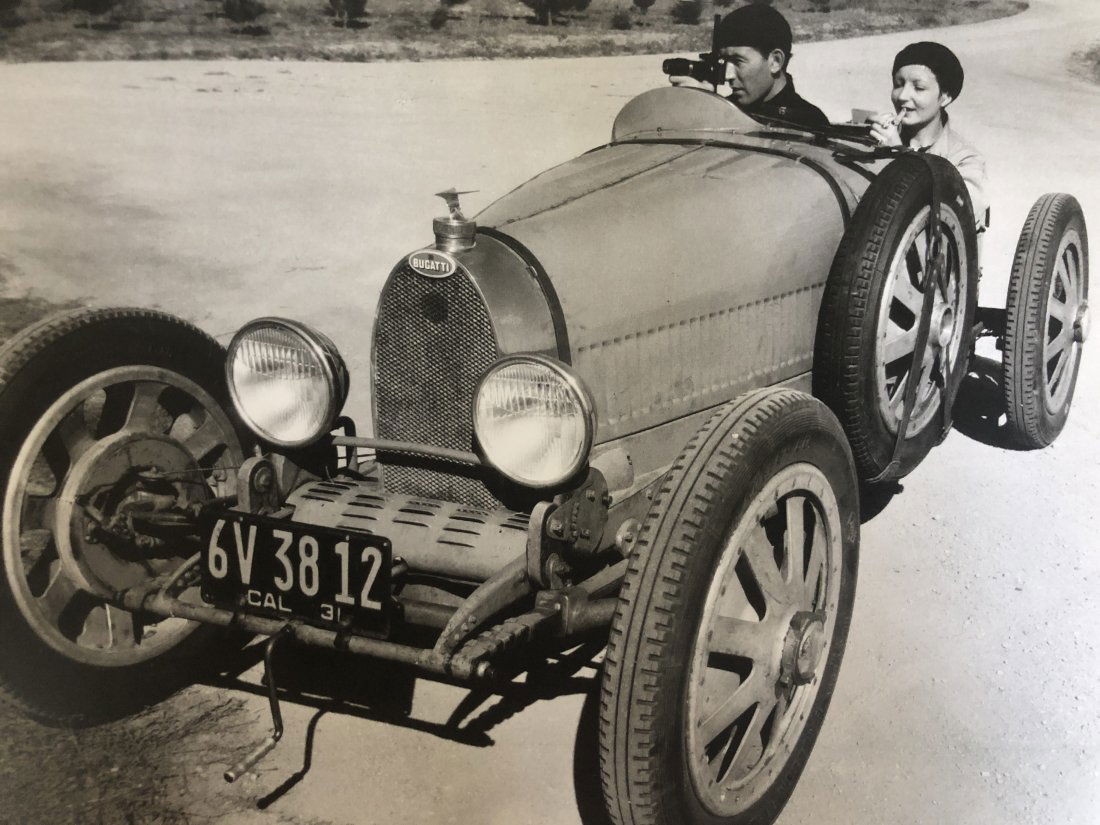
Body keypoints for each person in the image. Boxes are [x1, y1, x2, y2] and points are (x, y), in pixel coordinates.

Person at [869, 41, 988, 224]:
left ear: (945, 97)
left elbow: (960, 216)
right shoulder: (882, 136)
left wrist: (899, 156)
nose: (902, 96)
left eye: (919, 88)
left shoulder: (965, 159)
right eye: (898, 84)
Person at [671, 5, 829, 131]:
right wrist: (704, 104)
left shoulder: (809, 122)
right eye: (724, 61)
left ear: (775, 61)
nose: (728, 75)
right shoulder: (725, 109)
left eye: (738, 61)